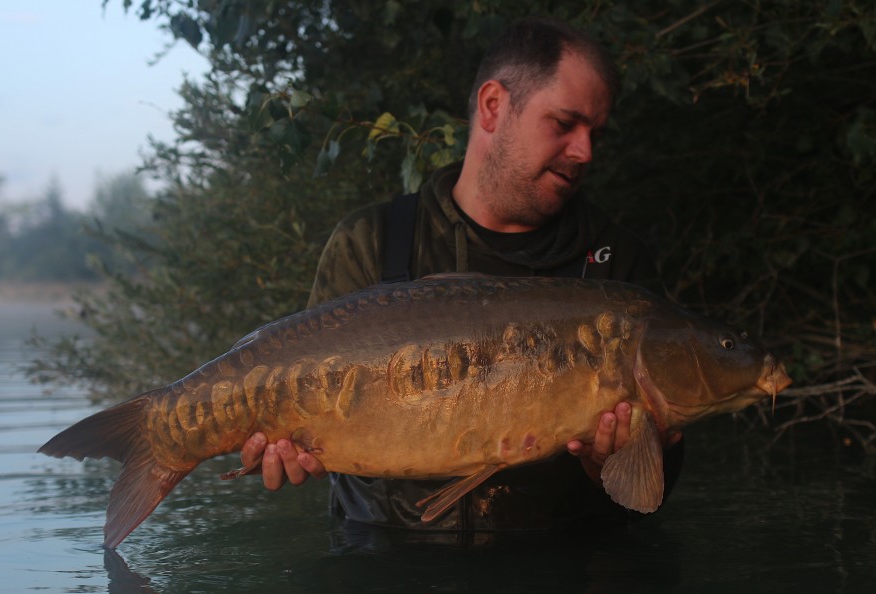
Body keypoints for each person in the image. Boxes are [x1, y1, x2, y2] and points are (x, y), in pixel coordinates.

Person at [240, 17, 684, 533]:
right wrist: (279, 450)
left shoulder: (616, 269)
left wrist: (606, 458)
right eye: (564, 124)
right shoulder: (372, 241)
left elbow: (655, 491)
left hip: (559, 563)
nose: (585, 152)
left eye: (595, 133)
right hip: (382, 559)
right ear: (494, 106)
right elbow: (302, 423)